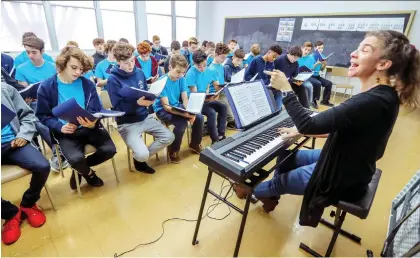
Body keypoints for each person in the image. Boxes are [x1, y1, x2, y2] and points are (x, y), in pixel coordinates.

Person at [234, 30, 420, 227]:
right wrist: (300, 132)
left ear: (383, 64)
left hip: (343, 177)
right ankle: (273, 194)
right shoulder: (382, 96)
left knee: (280, 180)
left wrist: (286, 90)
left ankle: (254, 190)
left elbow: (308, 123)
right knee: (287, 156)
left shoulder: (372, 101)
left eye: (364, 50)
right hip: (349, 163)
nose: (353, 53)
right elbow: (340, 127)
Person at [36, 46, 117, 190]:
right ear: (63, 63)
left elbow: (95, 109)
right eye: (74, 67)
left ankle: (81, 168)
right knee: (74, 159)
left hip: (90, 128)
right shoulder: (47, 87)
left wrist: (93, 123)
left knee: (109, 150)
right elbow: (42, 115)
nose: (78, 72)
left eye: (81, 69)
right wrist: (59, 127)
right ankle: (89, 174)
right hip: (66, 132)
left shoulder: (87, 84)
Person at [107, 42, 174, 173]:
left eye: (132, 60)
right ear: (118, 61)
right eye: (126, 62)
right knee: (142, 154)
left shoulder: (139, 72)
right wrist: (137, 103)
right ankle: (141, 158)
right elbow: (117, 108)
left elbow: (145, 92)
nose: (131, 65)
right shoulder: (112, 79)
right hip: (127, 123)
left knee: (169, 137)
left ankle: (140, 158)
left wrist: (152, 96)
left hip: (145, 117)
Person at [1, 83, 51, 245]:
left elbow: (28, 116)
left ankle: (28, 203)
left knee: (42, 166)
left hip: (14, 142)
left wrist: (24, 135)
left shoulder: (5, 89)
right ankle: (10, 213)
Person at [153, 54, 204, 163]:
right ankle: (173, 150)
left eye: (183, 72)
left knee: (199, 116)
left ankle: (195, 144)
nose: (180, 75)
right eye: (178, 71)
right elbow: (166, 107)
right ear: (170, 67)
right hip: (162, 110)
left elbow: (185, 99)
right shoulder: (162, 82)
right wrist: (185, 115)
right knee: (181, 123)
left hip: (176, 105)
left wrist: (190, 112)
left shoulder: (181, 79)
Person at [186, 50, 227, 144]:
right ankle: (215, 140)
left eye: (204, 65)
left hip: (204, 99)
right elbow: (195, 95)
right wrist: (206, 98)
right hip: (194, 102)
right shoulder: (191, 73)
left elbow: (208, 85)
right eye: (199, 66)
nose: (202, 68)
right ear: (194, 63)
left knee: (223, 107)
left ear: (206, 61)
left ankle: (221, 135)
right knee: (212, 112)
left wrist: (212, 95)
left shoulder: (208, 70)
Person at [245, 44, 282, 110]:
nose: (274, 59)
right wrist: (254, 82)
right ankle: (272, 111)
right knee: (269, 95)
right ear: (269, 52)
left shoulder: (271, 64)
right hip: (255, 86)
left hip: (266, 86)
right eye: (274, 56)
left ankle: (277, 112)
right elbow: (247, 76)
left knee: (279, 91)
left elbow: (269, 78)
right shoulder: (257, 60)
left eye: (276, 58)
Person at [298, 41, 334, 107]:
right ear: (315, 48)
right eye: (319, 48)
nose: (320, 49)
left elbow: (322, 69)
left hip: (317, 75)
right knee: (317, 83)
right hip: (310, 76)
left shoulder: (322, 57)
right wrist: (317, 63)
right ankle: (314, 100)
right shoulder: (312, 56)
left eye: (322, 48)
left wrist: (324, 64)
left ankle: (325, 101)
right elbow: (310, 69)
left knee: (329, 83)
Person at [224, 48, 245, 129]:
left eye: (241, 61)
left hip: (234, 90)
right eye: (237, 60)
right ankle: (231, 121)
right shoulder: (226, 67)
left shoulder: (239, 67)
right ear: (233, 57)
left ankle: (238, 120)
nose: (239, 62)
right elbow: (224, 81)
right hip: (226, 91)